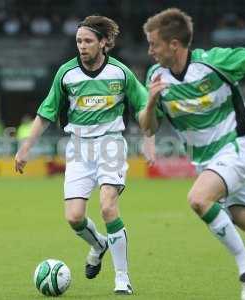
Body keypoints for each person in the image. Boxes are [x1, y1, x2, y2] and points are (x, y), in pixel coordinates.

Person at [15, 15, 151, 294]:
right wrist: (26, 147)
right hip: (77, 147)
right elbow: (46, 113)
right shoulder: (66, 74)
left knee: (107, 207)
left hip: (111, 145)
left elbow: (143, 108)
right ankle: (98, 244)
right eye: (79, 41)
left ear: (103, 43)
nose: (82, 46)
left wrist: (149, 139)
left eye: (88, 41)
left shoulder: (120, 73)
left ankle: (122, 277)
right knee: (74, 217)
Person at [140, 8, 245, 300]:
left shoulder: (215, 62)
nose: (149, 50)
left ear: (174, 44)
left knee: (199, 199)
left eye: (154, 44)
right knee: (243, 219)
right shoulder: (156, 78)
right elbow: (148, 128)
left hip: (238, 145)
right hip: (206, 161)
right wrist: (151, 103)